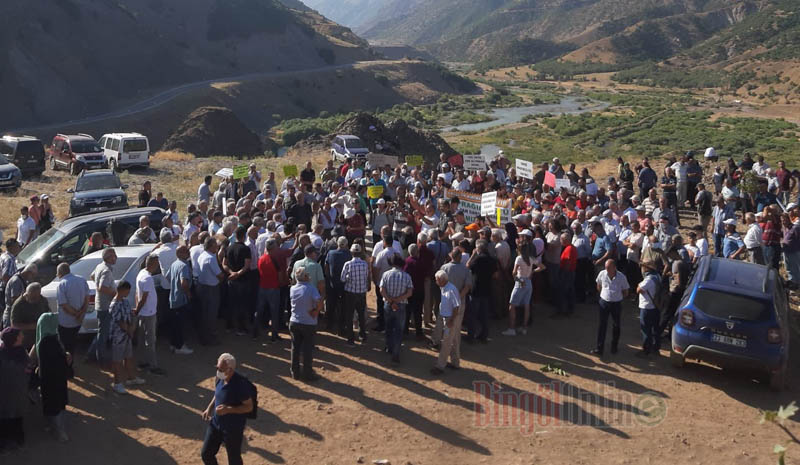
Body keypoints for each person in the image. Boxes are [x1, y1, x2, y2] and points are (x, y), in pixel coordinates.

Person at [201, 353, 253, 465]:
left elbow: (249, 407)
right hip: (215, 424)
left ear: (230, 370)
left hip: (232, 428)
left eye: (221, 369)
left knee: (234, 460)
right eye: (218, 368)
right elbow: (217, 393)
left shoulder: (240, 385)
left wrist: (228, 409)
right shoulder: (220, 378)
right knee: (206, 454)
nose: (218, 371)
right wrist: (209, 408)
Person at [34, 313, 71, 442]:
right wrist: (66, 357)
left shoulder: (41, 338)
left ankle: (50, 426)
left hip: (46, 378)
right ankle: (60, 431)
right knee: (57, 405)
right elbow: (60, 360)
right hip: (57, 379)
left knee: (49, 402)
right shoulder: (52, 340)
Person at [109, 281, 145, 394]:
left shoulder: (125, 302)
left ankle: (131, 378)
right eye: (127, 291)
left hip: (127, 336)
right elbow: (119, 321)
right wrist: (129, 330)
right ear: (121, 290)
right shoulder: (114, 304)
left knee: (128, 357)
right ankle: (117, 383)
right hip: (118, 337)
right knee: (117, 361)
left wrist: (132, 327)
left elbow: (130, 315)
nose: (128, 293)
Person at [289, 267, 322, 381]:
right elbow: (318, 301)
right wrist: (316, 311)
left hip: (295, 321)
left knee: (295, 348)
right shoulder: (311, 288)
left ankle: (295, 372)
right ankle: (308, 373)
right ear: (305, 277)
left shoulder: (292, 289)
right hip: (308, 323)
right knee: (307, 349)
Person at [591, 259, 629, 356]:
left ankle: (614, 346)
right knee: (602, 325)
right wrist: (604, 295)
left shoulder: (621, 277)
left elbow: (626, 292)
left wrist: (616, 297)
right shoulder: (602, 274)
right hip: (604, 302)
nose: (606, 270)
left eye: (608, 268)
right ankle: (599, 348)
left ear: (614, 267)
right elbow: (598, 286)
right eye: (606, 268)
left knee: (616, 325)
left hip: (616, 304)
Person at [380, 255, 413, 364]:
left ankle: (389, 347)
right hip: (401, 305)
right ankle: (396, 352)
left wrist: (390, 301)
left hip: (388, 305)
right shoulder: (406, 276)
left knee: (388, 327)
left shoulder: (386, 274)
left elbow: (382, 290)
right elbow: (409, 292)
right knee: (399, 330)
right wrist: (397, 300)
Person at [135, 255, 165, 375]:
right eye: (157, 263)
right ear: (153, 264)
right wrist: (138, 309)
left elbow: (138, 295)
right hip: (149, 313)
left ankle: (141, 361)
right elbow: (144, 298)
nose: (158, 265)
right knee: (151, 340)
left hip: (144, 312)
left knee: (141, 338)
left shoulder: (141, 273)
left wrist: (138, 309)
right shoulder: (148, 278)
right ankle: (153, 366)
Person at [0, 327, 28, 452]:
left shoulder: (2, 353)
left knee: (4, 418)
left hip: (4, 395)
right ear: (16, 339)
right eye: (20, 334)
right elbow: (28, 371)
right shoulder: (22, 353)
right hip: (18, 393)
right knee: (17, 417)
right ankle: (18, 440)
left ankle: (5, 442)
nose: (22, 336)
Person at [87, 248, 117, 363]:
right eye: (114, 256)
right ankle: (100, 358)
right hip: (105, 305)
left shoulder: (100, 266)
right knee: (103, 333)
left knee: (102, 330)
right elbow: (102, 287)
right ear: (108, 258)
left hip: (101, 303)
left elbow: (92, 276)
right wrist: (115, 294)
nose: (116, 258)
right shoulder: (106, 270)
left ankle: (91, 354)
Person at [429, 271, 461, 375]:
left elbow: (456, 307)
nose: (436, 282)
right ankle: (455, 363)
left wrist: (451, 321)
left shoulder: (451, 289)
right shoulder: (444, 287)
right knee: (454, 341)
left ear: (442, 280)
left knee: (446, 343)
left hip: (450, 319)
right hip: (446, 317)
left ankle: (440, 366)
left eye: (437, 280)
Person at [466, 240, 497, 343]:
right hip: (487, 288)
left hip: (476, 289)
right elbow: (495, 274)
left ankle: (471, 336)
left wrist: (473, 255)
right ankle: (483, 335)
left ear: (478, 248)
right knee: (484, 314)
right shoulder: (492, 260)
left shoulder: (478, 259)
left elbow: (468, 266)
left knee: (472, 314)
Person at [222, 226, 251, 336]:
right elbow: (246, 266)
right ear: (244, 236)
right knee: (242, 305)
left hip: (231, 280)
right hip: (242, 280)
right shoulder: (246, 249)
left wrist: (230, 273)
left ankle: (229, 326)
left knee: (231, 303)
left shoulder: (229, 248)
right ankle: (241, 328)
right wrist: (237, 274)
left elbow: (224, 263)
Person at [55, 263, 88, 356]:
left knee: (65, 347)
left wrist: (76, 314)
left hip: (66, 322)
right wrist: (81, 314)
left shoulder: (62, 284)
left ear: (60, 273)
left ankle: (67, 366)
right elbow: (87, 298)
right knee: (73, 345)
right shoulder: (82, 279)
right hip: (78, 321)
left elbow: (64, 305)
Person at [198, 237, 226, 346]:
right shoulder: (210, 258)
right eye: (215, 246)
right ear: (211, 246)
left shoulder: (202, 256)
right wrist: (222, 279)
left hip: (202, 287)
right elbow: (219, 275)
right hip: (211, 289)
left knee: (204, 314)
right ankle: (210, 338)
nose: (217, 247)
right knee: (211, 314)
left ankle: (204, 337)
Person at [340, 243, 370, 346]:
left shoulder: (348, 264)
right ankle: (362, 335)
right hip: (361, 293)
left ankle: (351, 339)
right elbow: (366, 276)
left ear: (351, 252)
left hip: (351, 293)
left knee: (349, 315)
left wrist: (349, 277)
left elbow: (342, 279)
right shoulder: (364, 264)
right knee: (361, 314)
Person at [255, 239, 283, 343]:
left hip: (262, 287)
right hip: (273, 288)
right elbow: (279, 276)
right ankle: (274, 336)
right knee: (274, 313)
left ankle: (255, 332)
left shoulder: (261, 258)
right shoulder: (274, 260)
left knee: (259, 311)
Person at [168, 245, 194, 355]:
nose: (188, 253)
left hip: (173, 298)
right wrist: (188, 294)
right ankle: (180, 346)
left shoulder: (174, 264)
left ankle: (173, 344)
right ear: (180, 253)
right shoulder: (184, 266)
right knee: (180, 325)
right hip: (181, 299)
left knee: (175, 324)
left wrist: (175, 286)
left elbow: (167, 276)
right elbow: (184, 283)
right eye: (186, 251)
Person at [10, 283, 49, 349]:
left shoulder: (43, 300)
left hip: (40, 337)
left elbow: (47, 313)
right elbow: (14, 325)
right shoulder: (18, 304)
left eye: (37, 297)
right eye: (33, 297)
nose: (35, 300)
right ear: (27, 293)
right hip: (25, 339)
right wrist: (32, 326)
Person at [636, 262, 661, 357]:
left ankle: (646, 350)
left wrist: (639, 285)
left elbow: (638, 289)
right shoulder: (657, 276)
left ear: (646, 269)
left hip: (647, 306)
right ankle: (656, 347)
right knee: (655, 329)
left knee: (645, 329)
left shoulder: (648, 280)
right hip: (656, 306)